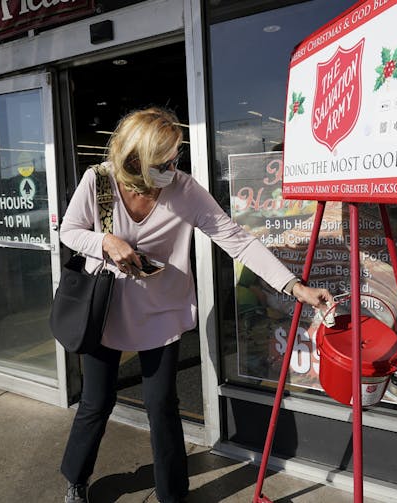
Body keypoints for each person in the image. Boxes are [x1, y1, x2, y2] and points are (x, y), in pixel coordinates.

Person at [59, 107, 332, 503]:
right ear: (135, 160)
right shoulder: (98, 182)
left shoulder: (183, 190)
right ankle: (76, 478)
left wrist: (294, 286)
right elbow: (69, 231)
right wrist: (107, 243)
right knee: (96, 402)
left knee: (162, 406)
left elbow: (236, 239)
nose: (172, 166)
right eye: (163, 160)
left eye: (175, 157)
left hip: (161, 313)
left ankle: (173, 496)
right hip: (105, 312)